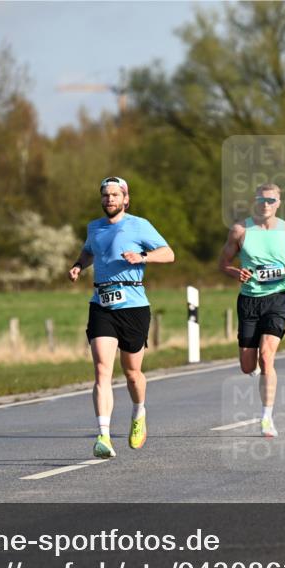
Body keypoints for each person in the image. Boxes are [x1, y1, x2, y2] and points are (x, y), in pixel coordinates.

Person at [69, 176, 174, 458]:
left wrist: (144, 258)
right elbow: (89, 251)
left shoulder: (139, 225)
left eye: (115, 195)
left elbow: (169, 253)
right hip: (101, 303)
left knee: (131, 373)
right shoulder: (94, 227)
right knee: (103, 370)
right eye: (105, 195)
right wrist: (79, 265)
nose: (110, 200)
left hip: (134, 305)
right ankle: (103, 435)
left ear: (125, 199)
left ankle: (139, 413)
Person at [218, 183, 285, 437]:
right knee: (248, 366)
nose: (266, 204)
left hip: (277, 298)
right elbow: (223, 262)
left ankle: (267, 418)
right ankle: (257, 369)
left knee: (267, 356)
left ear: (278, 203)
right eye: (262, 199)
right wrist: (235, 271)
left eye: (271, 200)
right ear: (255, 201)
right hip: (249, 299)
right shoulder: (240, 230)